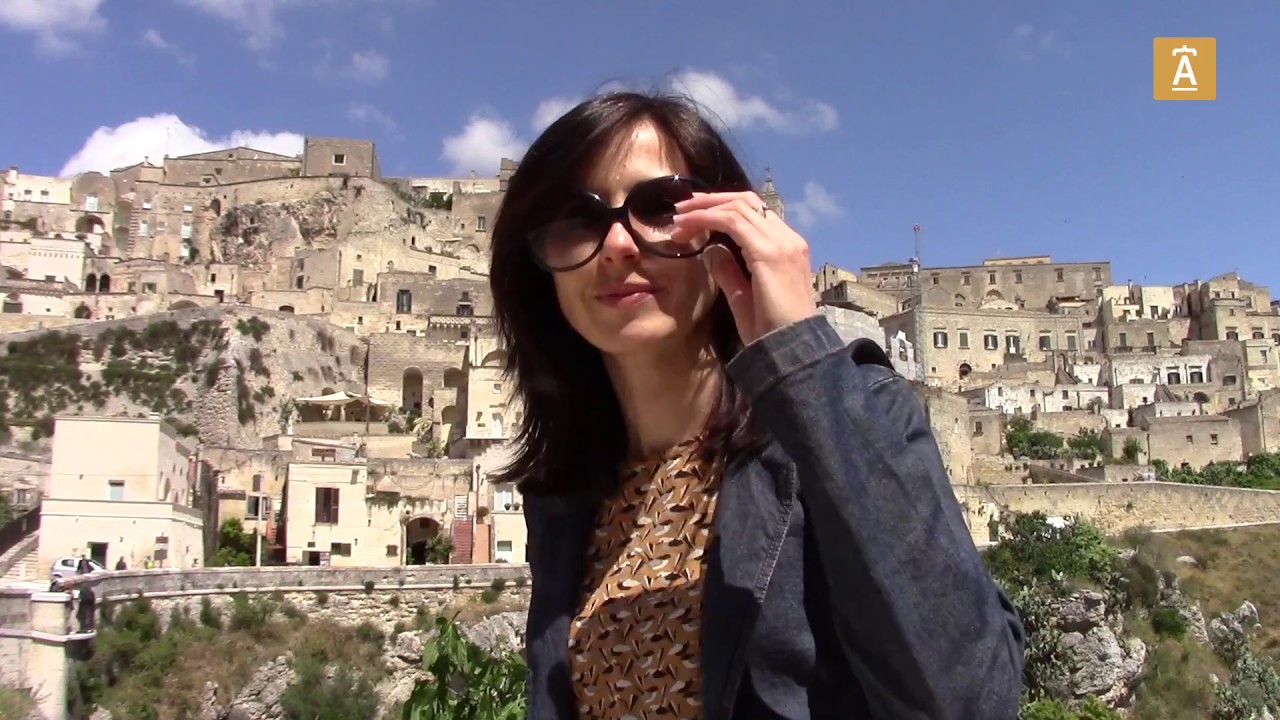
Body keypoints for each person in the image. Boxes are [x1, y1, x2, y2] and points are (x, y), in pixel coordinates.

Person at [488, 90, 1026, 720]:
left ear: (732, 232)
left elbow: (971, 703)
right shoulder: (566, 492)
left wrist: (801, 360)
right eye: (577, 218)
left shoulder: (851, 418)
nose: (617, 245)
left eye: (659, 206)